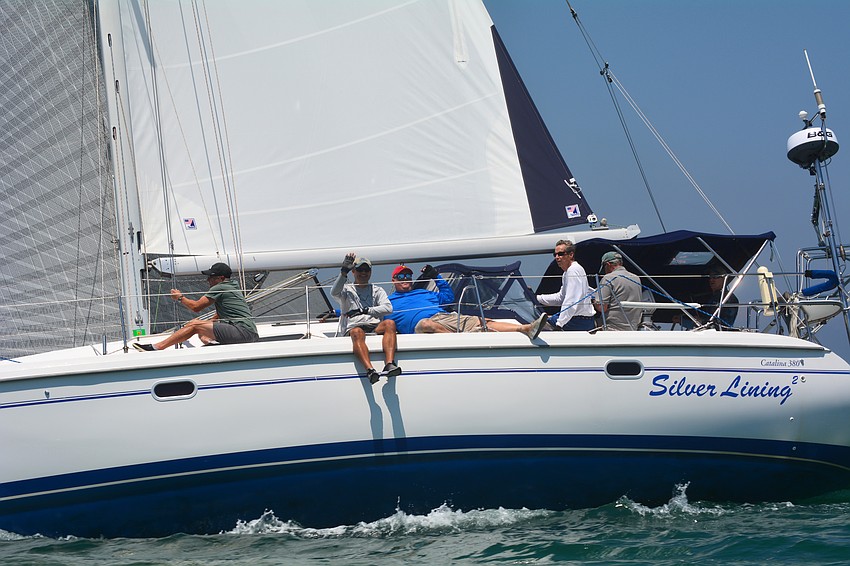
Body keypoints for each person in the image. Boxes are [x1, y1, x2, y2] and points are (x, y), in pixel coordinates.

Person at [386, 264, 546, 339]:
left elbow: (448, 297)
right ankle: (462, 340)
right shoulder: (388, 302)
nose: (405, 279)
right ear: (393, 280)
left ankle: (526, 328)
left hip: (443, 318)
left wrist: (436, 275)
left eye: (408, 276)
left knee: (482, 321)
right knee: (427, 324)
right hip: (420, 327)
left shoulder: (423, 292)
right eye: (401, 276)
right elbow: (379, 323)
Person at [133, 262, 258, 351]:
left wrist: (180, 297)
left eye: (211, 277)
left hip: (242, 332)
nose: (208, 279)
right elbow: (224, 312)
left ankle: (158, 347)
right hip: (248, 332)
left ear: (221, 278)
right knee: (200, 327)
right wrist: (206, 322)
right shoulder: (233, 286)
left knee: (195, 325)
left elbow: (196, 307)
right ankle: (213, 346)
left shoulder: (220, 287)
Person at [331, 253, 401, 385]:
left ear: (370, 272)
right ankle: (370, 370)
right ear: (353, 271)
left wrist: (365, 310)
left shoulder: (377, 290)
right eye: (360, 270)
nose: (363, 273)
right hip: (353, 328)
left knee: (390, 323)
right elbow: (334, 292)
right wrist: (343, 272)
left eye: (366, 270)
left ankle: (390, 364)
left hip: (373, 326)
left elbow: (388, 308)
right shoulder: (346, 290)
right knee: (357, 332)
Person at [536, 239, 596, 331]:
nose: (557, 257)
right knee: (541, 320)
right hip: (577, 320)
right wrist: (537, 298)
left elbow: (571, 300)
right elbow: (561, 297)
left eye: (560, 254)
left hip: (578, 321)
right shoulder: (567, 272)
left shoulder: (573, 270)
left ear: (571, 255)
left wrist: (559, 324)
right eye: (555, 255)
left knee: (535, 324)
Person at [594, 251, 643, 330]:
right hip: (632, 328)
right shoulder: (636, 278)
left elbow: (601, 307)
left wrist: (594, 299)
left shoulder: (608, 278)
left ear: (608, 264)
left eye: (604, 267)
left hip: (612, 327)